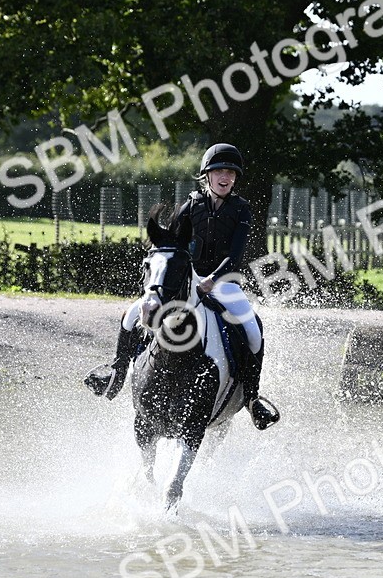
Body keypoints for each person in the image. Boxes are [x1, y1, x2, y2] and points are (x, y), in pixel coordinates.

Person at [89, 143, 280, 430]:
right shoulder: (191, 206)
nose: (225, 177)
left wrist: (212, 280)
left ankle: (252, 400)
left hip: (224, 283)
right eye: (219, 171)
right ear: (207, 176)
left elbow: (235, 255)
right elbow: (173, 243)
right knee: (131, 316)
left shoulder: (241, 210)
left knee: (253, 329)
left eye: (230, 172)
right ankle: (116, 372)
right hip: (187, 280)